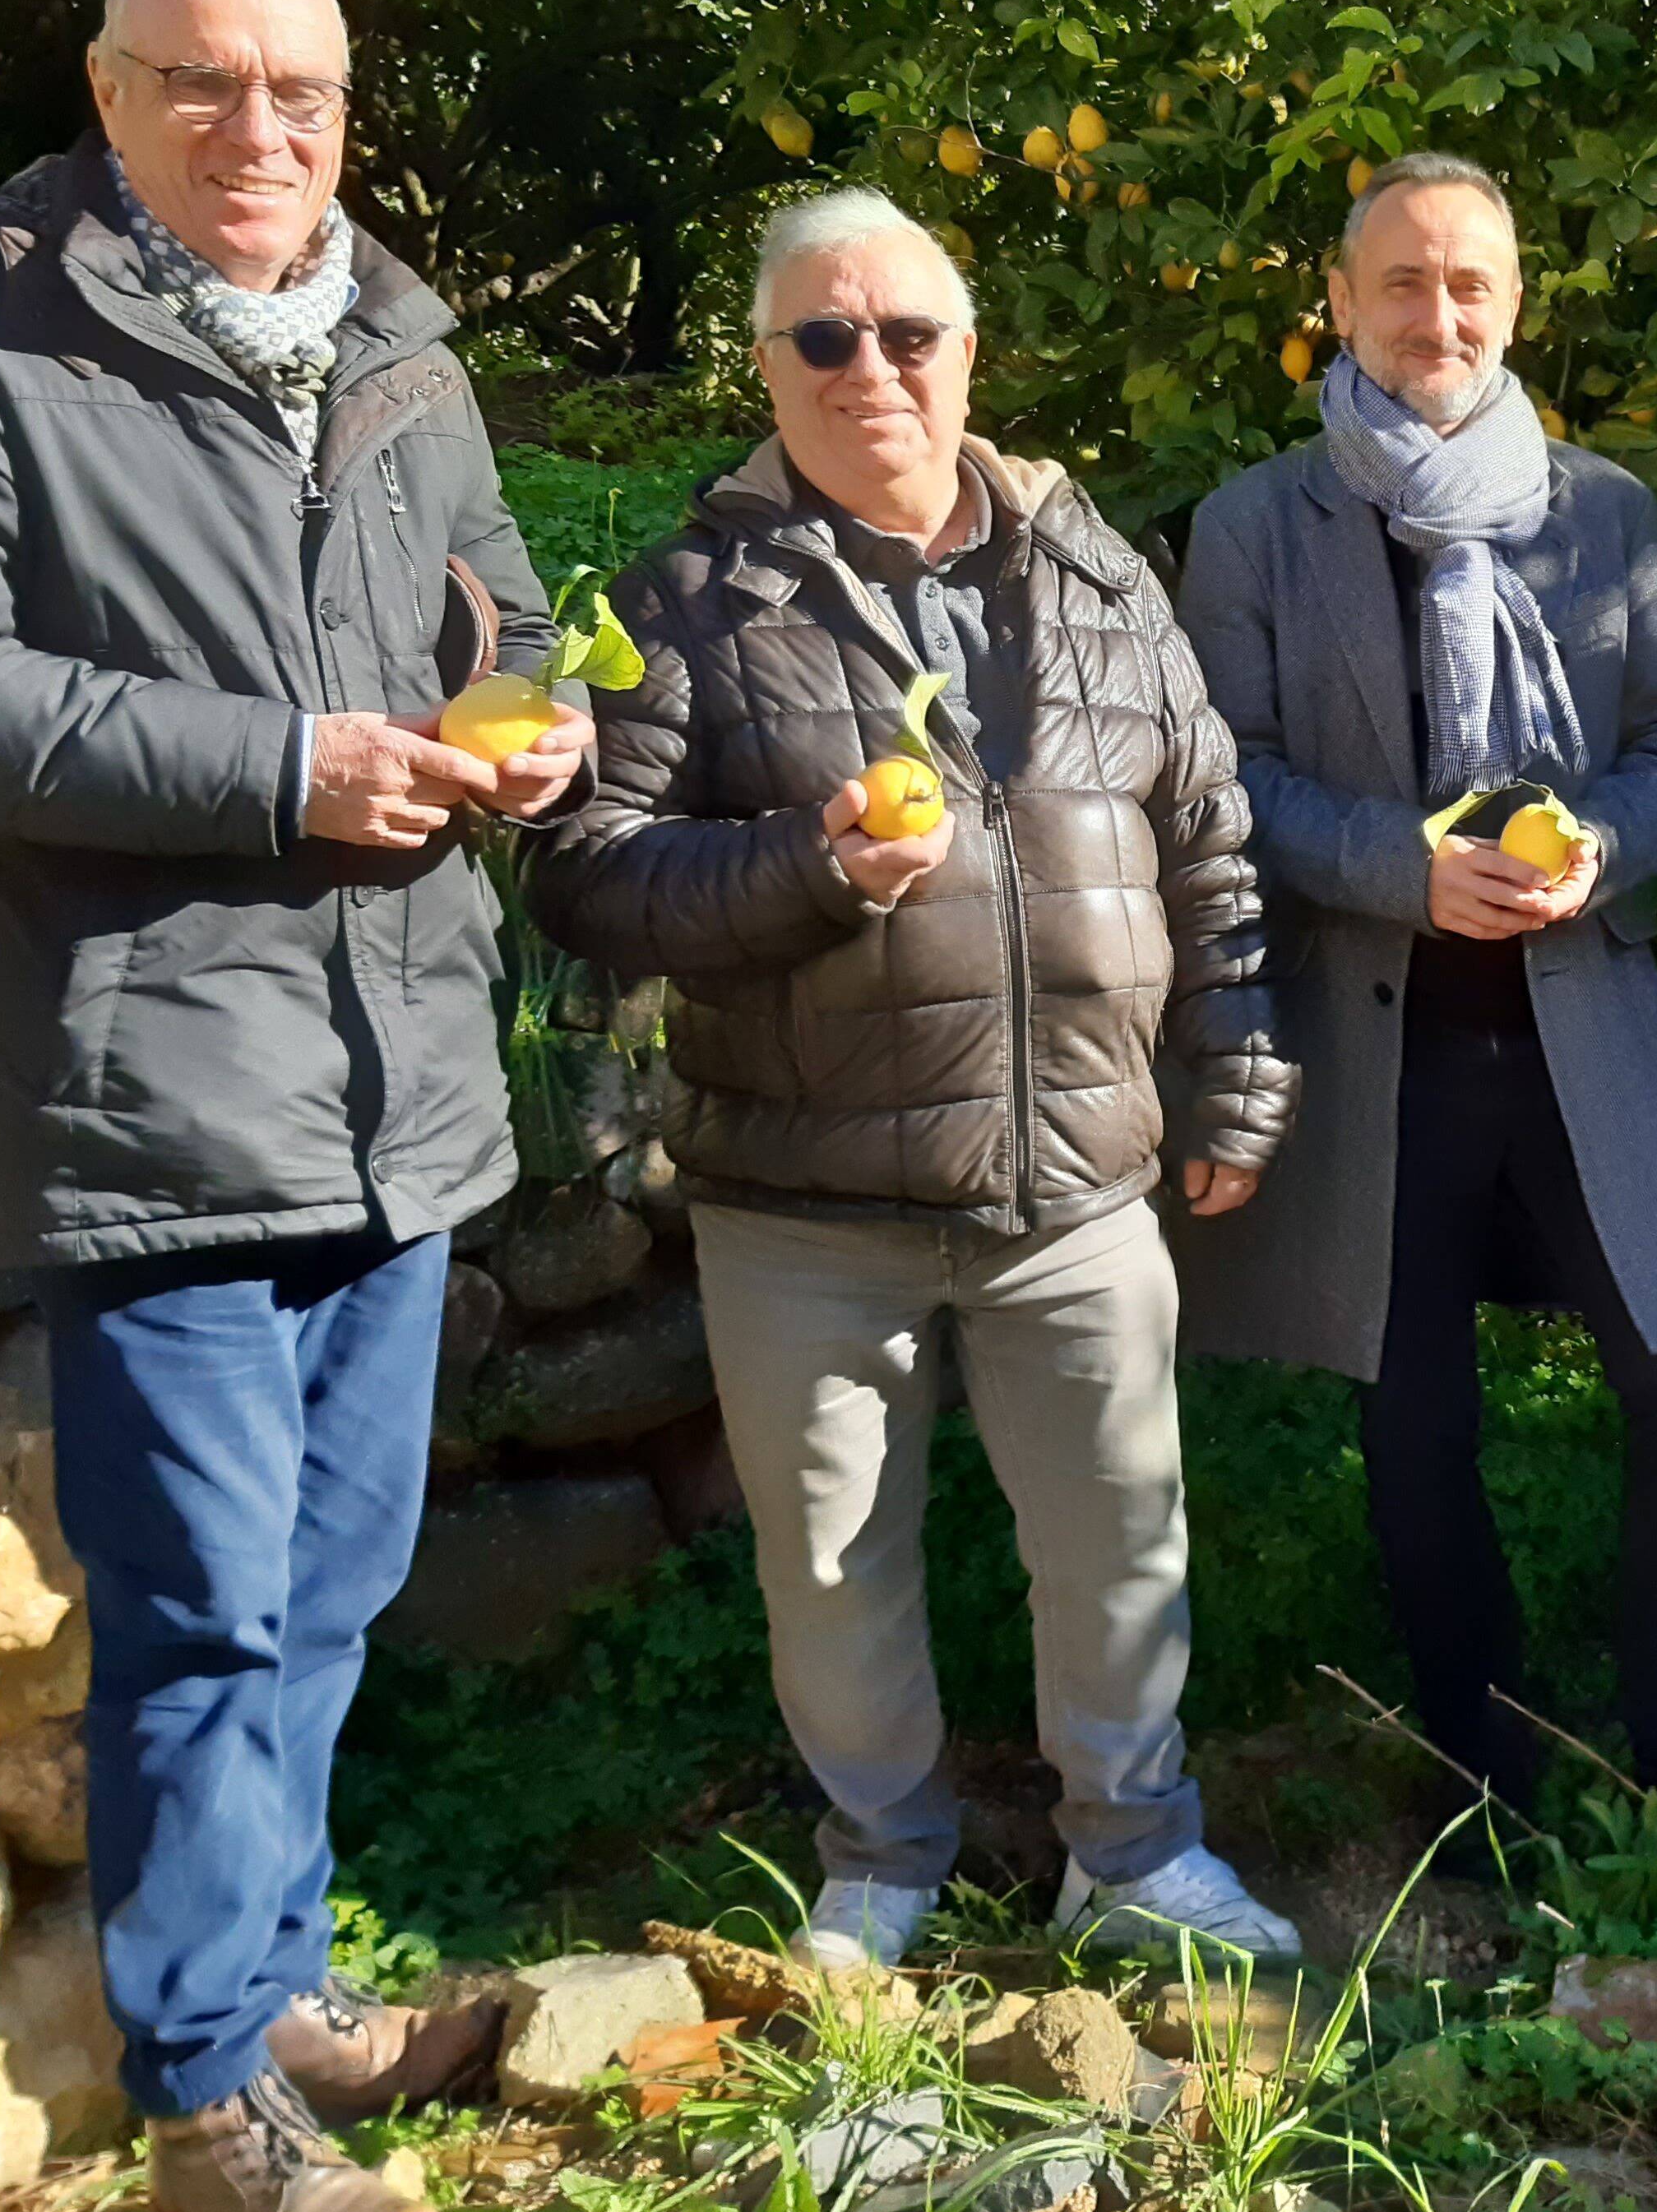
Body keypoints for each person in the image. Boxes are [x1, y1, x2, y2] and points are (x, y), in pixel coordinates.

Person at [0, 0, 572, 2212]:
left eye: (301, 93)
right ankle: (211, 2105)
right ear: (110, 95)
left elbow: (504, 614)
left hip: (394, 1082)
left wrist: (526, 728)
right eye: (206, 84)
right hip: (155, 1089)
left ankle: (279, 1990)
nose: (262, 133)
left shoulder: (398, 340)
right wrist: (278, 769)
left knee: (326, 1588)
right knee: (208, 1612)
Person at [528, 188, 1301, 1967]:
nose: (867, 367)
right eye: (823, 335)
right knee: (833, 1569)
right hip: (805, 1202)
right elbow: (589, 877)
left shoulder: (1101, 578)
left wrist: (1237, 1065)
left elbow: (1209, 840)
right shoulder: (690, 604)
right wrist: (807, 867)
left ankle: (1133, 1854)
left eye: (906, 334)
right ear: (765, 364)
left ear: (969, 356)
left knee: (1120, 1543)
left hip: (1079, 1179)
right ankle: (879, 1867)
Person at [1178, 153, 1657, 1810]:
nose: (1440, 314)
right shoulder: (1260, 525)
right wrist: (1400, 868)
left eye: (1470, 282)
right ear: (1340, 303)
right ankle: (1478, 1747)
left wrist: (1601, 850)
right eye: (1403, 282)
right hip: (1377, 1028)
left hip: (1576, 1017)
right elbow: (1224, 777)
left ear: (1516, 304)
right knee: (1415, 1417)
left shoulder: (1601, 513)